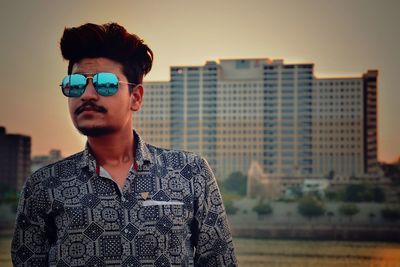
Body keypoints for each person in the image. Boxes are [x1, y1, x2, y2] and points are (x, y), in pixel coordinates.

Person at [11, 22, 237, 266]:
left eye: (105, 83)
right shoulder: (44, 185)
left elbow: (219, 260)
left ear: (136, 97)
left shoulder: (190, 173)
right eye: (75, 84)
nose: (86, 94)